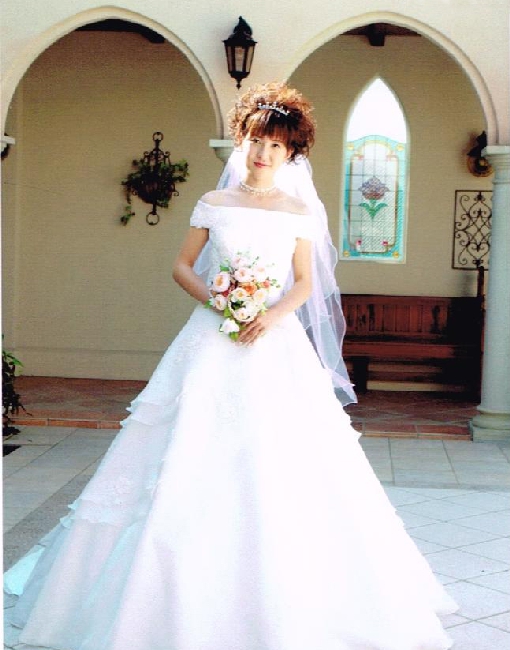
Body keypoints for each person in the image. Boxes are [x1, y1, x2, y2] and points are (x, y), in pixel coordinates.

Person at [4, 82, 457, 650]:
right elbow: (182, 266)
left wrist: (269, 317)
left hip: (274, 341)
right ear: (243, 141)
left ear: (292, 152)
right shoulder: (214, 204)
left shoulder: (298, 211)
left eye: (276, 145)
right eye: (256, 141)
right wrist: (221, 301)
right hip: (211, 338)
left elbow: (305, 283)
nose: (264, 153)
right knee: (183, 448)